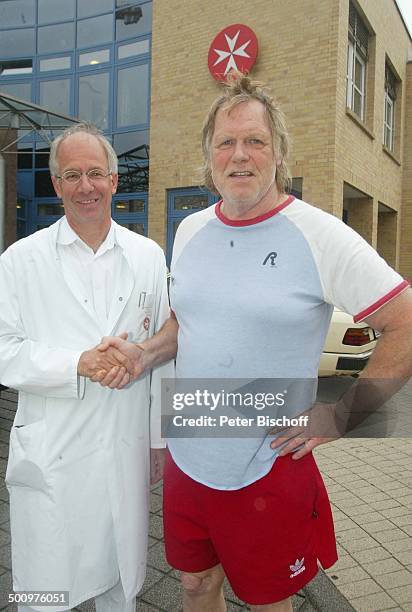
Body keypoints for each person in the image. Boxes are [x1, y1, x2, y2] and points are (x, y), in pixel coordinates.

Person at [97, 75, 412, 612]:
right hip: (189, 454)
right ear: (209, 154)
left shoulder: (319, 234)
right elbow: (187, 320)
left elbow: (405, 322)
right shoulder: (192, 230)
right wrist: (145, 353)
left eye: (255, 141)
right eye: (226, 142)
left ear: (279, 152)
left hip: (268, 465)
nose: (239, 155)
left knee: (266, 599)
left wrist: (340, 416)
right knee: (196, 584)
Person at [0, 123, 173, 612]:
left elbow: (163, 351)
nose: (86, 187)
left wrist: (159, 439)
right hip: (53, 450)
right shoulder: (19, 261)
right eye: (71, 175)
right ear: (55, 185)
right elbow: (3, 348)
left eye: (96, 173)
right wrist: (77, 363)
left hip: (125, 442)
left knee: (121, 581)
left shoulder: (146, 256)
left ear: (116, 180)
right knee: (47, 586)